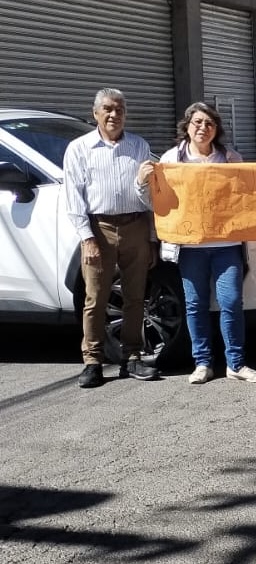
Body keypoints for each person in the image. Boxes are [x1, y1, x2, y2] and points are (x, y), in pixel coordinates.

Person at [137, 102, 256, 385]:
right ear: (187, 126)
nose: (203, 128)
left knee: (232, 302)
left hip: (227, 245)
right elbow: (152, 201)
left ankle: (236, 363)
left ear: (216, 129)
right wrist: (141, 182)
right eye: (197, 122)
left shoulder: (230, 158)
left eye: (209, 123)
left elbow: (247, 196)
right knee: (195, 304)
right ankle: (202, 363)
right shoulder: (171, 160)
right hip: (190, 247)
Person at [63, 88, 159, 388]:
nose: (114, 114)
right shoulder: (79, 149)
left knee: (135, 297)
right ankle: (92, 361)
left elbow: (148, 194)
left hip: (136, 226)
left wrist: (153, 238)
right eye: (107, 109)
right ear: (95, 114)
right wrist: (86, 238)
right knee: (96, 298)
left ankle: (131, 357)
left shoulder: (139, 146)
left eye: (119, 109)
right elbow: (73, 197)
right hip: (99, 229)